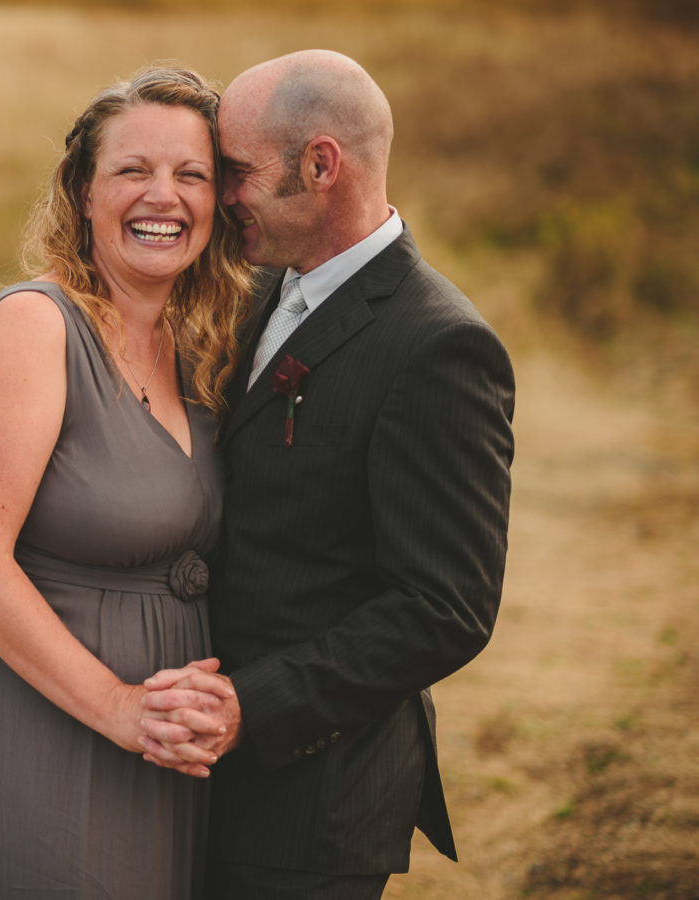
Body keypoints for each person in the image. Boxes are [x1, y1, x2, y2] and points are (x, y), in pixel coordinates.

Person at [138, 50, 516, 899]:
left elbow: (444, 607)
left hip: (312, 803)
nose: (215, 194)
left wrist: (251, 708)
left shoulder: (437, 346)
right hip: (198, 774)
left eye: (232, 171)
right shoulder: (259, 285)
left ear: (319, 165)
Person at [0, 66, 252, 900]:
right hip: (55, 718)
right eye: (132, 170)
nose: (162, 196)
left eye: (191, 175)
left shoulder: (201, 346)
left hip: (168, 735)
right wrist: (113, 705)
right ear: (82, 192)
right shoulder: (36, 325)